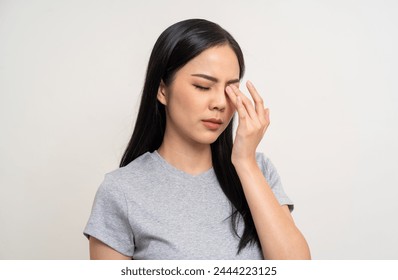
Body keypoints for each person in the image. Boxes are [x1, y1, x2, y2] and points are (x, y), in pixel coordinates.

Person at [83, 18, 311, 260]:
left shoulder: (259, 170)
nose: (220, 103)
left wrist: (245, 162)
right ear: (162, 90)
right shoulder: (122, 191)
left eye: (231, 89)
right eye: (203, 86)